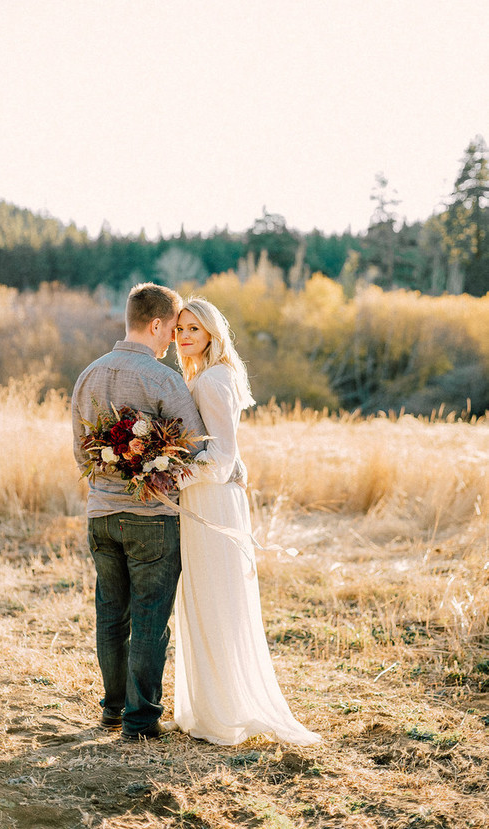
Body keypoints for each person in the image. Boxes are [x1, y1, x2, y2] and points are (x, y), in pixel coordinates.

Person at [174, 297, 322, 746]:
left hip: (210, 499)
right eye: (180, 329)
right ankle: (211, 705)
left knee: (215, 597)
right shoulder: (206, 375)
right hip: (208, 497)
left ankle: (223, 713)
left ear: (213, 335)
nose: (183, 337)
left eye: (193, 330)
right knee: (208, 596)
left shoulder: (214, 381)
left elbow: (221, 460)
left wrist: (167, 477)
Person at [71, 283, 206, 741]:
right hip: (152, 520)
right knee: (149, 618)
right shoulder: (163, 379)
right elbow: (194, 447)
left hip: (101, 516)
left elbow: (80, 453)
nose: (172, 340)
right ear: (155, 325)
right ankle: (141, 721)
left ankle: (112, 710)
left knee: (111, 615)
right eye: (171, 329)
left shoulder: (88, 375)